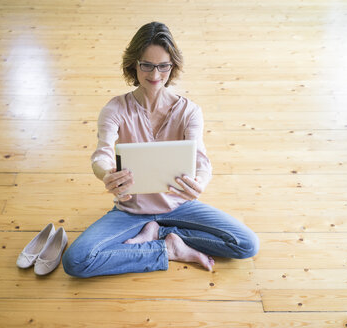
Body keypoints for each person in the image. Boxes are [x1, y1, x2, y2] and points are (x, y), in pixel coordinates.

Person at [62, 22, 259, 278]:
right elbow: (102, 153)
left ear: (172, 66)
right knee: (76, 261)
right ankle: (167, 249)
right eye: (147, 65)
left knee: (246, 244)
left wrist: (201, 182)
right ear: (134, 64)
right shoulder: (115, 109)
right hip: (131, 210)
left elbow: (202, 160)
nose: (155, 74)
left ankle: (161, 233)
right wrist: (106, 173)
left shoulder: (189, 112)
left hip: (179, 206)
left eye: (163, 66)